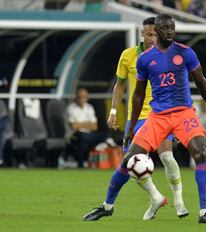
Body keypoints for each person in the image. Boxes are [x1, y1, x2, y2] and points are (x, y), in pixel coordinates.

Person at [83, 17, 188, 221]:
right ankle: (153, 197)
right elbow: (119, 85)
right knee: (129, 163)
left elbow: (177, 87)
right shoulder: (129, 56)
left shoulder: (170, 56)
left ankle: (179, 202)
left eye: (156, 34)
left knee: (167, 157)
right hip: (137, 118)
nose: (152, 38)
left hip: (162, 115)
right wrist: (113, 111)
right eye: (149, 34)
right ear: (142, 34)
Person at [123, 14, 206, 223]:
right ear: (152, 32)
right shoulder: (139, 58)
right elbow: (132, 92)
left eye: (172, 28)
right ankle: (151, 198)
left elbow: (201, 81)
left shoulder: (184, 52)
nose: (169, 31)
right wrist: (126, 122)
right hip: (153, 116)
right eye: (163, 29)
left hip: (179, 113)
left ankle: (194, 208)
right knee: (130, 162)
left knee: (187, 154)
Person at [67, 88, 108, 168]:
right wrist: (87, 124)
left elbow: (94, 126)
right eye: (79, 97)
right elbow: (73, 126)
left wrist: (79, 124)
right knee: (81, 137)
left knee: (104, 136)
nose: (81, 99)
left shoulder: (89, 108)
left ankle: (88, 164)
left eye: (83, 97)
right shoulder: (71, 108)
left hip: (89, 135)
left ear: (87, 98)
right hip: (75, 135)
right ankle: (81, 164)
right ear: (76, 98)